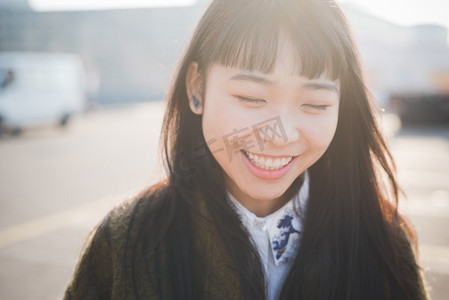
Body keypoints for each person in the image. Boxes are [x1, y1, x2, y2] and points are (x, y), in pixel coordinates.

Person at [64, 0, 428, 299]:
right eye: (251, 98)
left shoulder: (382, 240)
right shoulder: (127, 241)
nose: (280, 134)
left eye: (315, 104)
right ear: (196, 88)